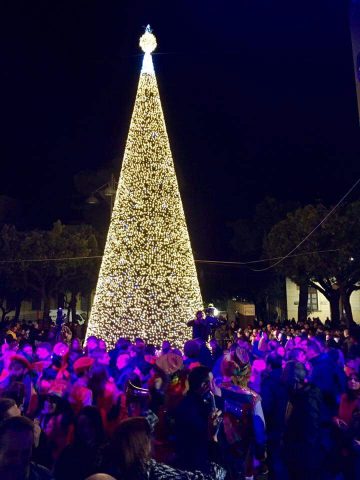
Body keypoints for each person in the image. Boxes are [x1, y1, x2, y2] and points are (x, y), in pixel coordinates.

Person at [99, 416, 226, 479]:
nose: (153, 441)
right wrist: (213, 439)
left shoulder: (106, 469)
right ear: (142, 443)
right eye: (150, 437)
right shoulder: (154, 473)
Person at [173, 366, 223, 474]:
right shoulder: (192, 407)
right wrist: (218, 399)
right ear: (204, 385)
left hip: (189, 460)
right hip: (196, 463)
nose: (214, 385)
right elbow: (208, 430)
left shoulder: (189, 401)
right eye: (211, 381)